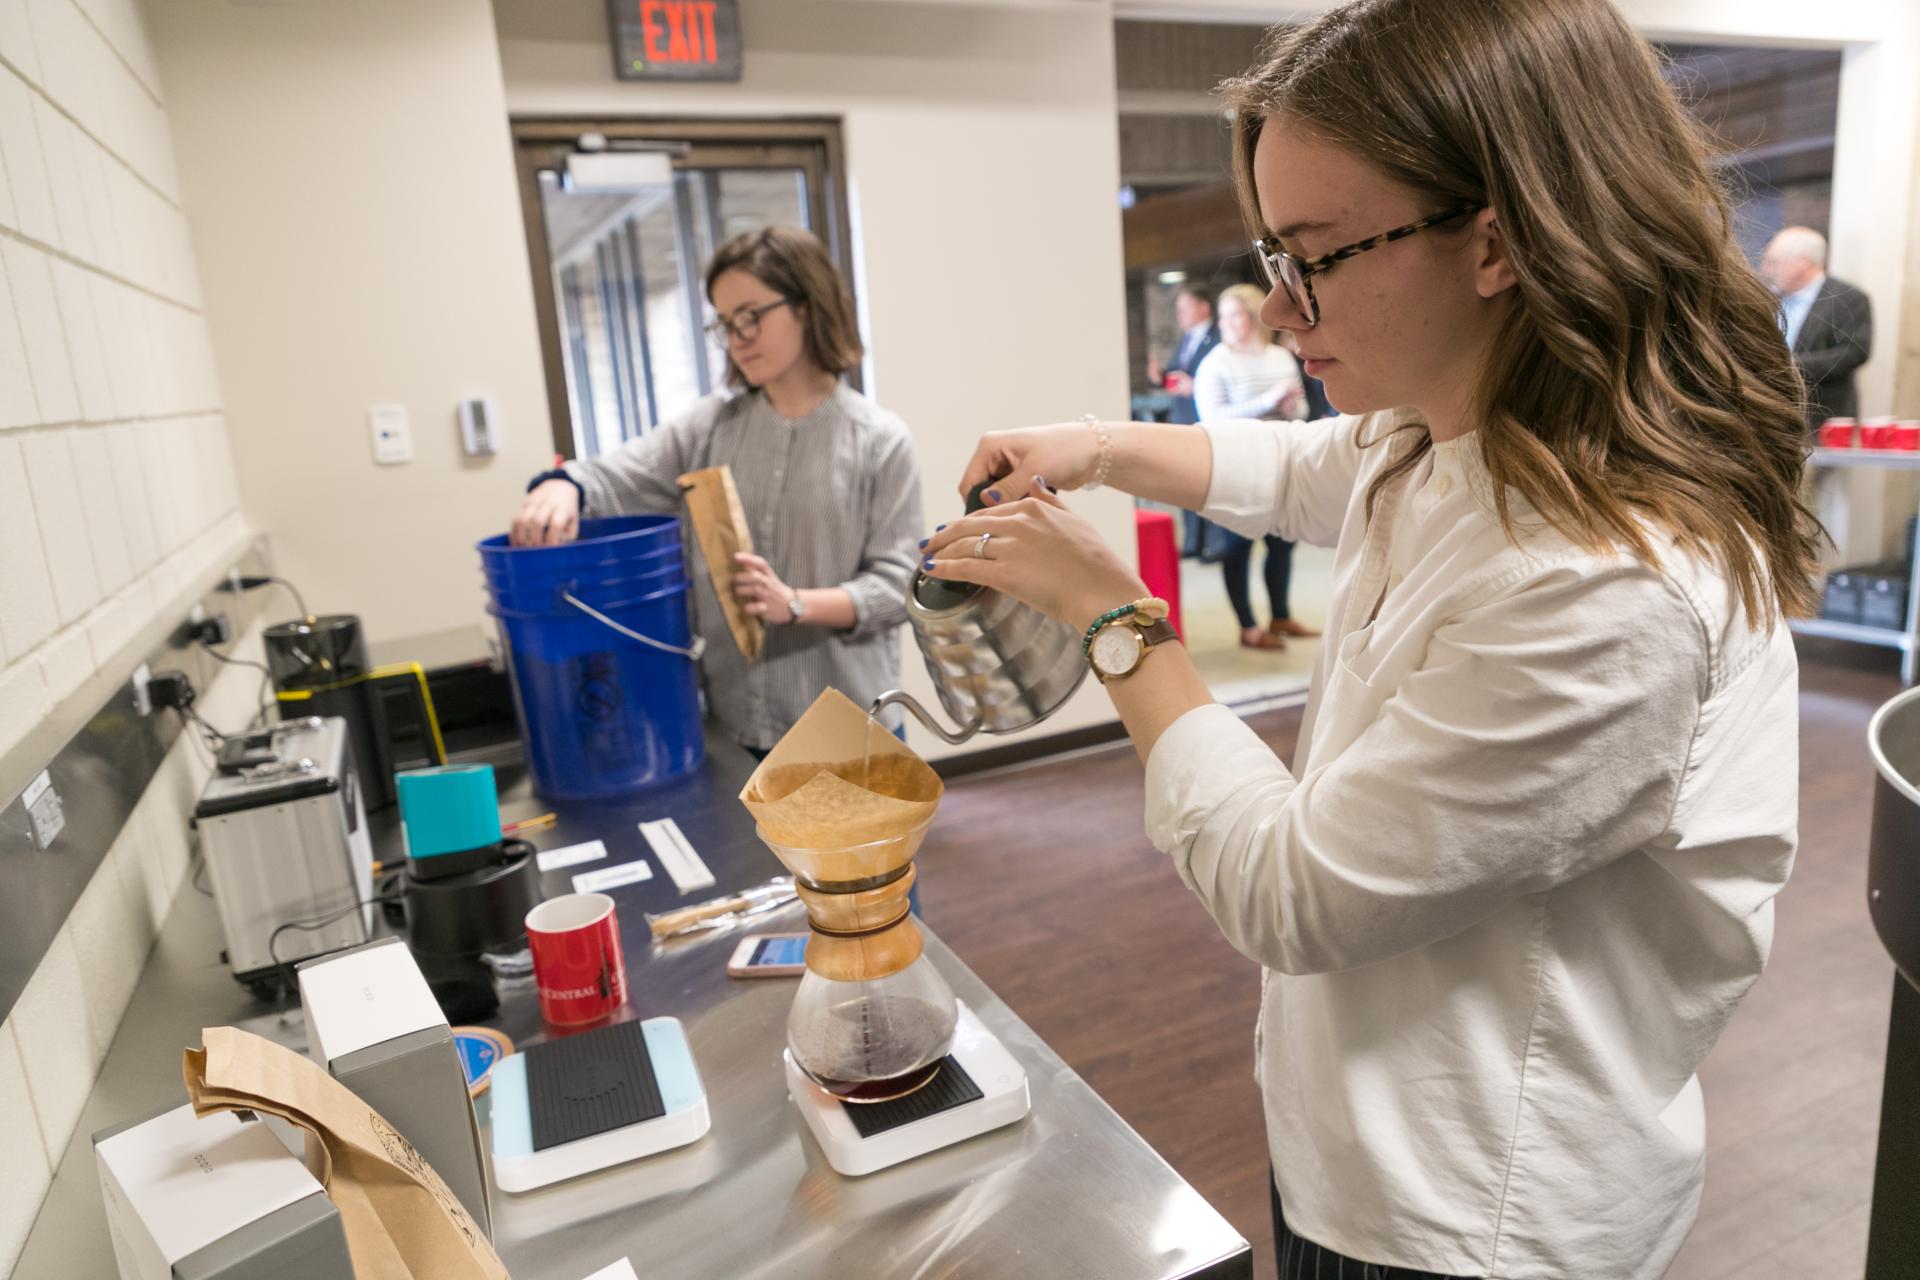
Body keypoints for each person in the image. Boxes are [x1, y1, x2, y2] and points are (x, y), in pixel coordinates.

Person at [920, 1, 1818, 1275]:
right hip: (1362, 1143)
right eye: (1272, 257)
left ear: (1495, 241)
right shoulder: (1452, 425)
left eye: (1318, 256)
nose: (1284, 312)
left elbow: (1296, 891)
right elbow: (1299, 465)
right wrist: (1101, 443)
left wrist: (1116, 622)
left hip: (1477, 1213)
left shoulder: (1604, 593)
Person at [511, 225, 923, 757]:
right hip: (741, 727)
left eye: (751, 316)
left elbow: (898, 588)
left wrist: (794, 604)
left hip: (852, 732)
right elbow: (615, 477)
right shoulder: (709, 428)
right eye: (725, 324)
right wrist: (562, 484)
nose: (737, 338)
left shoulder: (880, 441)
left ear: (808, 304)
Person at [1193, 283, 1317, 650]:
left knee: (1282, 547)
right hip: (1237, 470)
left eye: (1238, 315)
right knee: (1237, 549)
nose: (1230, 323)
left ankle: (1280, 616)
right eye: (1225, 316)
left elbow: (1303, 411)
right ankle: (1248, 627)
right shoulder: (1215, 363)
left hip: (1281, 466)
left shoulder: (1279, 358)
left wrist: (1291, 406)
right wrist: (1268, 400)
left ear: (1254, 317)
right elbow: (1212, 418)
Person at [1761, 225, 1872, 432]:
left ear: (1803, 262)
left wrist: (1787, 366)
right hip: (1770, 418)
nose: (1766, 270)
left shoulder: (1847, 299)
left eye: (1773, 262)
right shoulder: (1767, 299)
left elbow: (1854, 352)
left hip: (1822, 418)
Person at [1151, 285, 1220, 556]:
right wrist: (1159, 377)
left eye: (1185, 308)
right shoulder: (1186, 340)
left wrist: (1197, 386)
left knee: (1210, 484)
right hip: (1183, 418)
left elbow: (1209, 379)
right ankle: (1193, 542)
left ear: (1204, 307)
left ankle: (1213, 544)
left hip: (1205, 419)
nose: (1179, 314)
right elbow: (1176, 376)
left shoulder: (1217, 338)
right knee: (1185, 484)